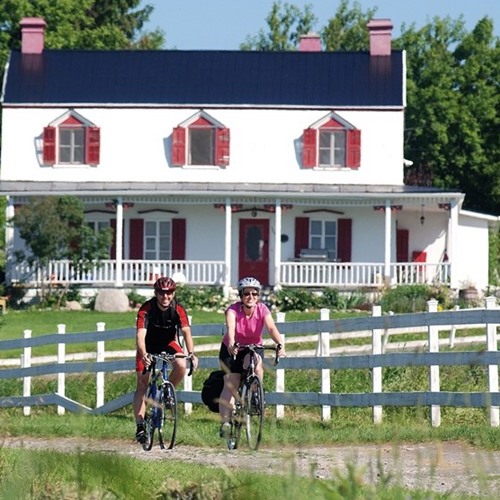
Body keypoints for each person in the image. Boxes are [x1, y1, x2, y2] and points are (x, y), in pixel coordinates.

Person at [133, 276, 198, 443]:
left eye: (169, 293)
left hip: (169, 343)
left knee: (181, 364)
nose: (165, 296)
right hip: (148, 345)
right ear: (156, 293)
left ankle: (167, 392)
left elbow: (186, 332)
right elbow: (140, 335)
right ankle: (140, 426)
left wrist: (191, 353)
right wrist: (144, 354)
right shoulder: (146, 309)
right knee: (142, 384)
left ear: (173, 293)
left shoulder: (178, 309)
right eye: (162, 293)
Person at [218, 276, 285, 438]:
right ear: (241, 295)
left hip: (253, 347)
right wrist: (232, 343)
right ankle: (225, 422)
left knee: (256, 365)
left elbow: (271, 327)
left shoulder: (262, 309)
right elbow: (231, 327)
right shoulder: (233, 310)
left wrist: (280, 343)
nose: (251, 297)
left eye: (254, 294)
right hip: (232, 348)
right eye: (247, 294)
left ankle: (256, 394)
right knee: (231, 383)